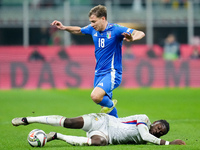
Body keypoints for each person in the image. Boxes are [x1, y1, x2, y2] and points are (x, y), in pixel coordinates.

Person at [51, 5, 145, 118]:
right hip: (98, 73)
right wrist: (64, 27)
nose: (92, 24)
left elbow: (140, 33)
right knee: (103, 106)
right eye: (91, 22)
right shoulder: (92, 29)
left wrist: (132, 38)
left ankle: (111, 104)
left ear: (103, 18)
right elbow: (79, 30)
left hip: (112, 72)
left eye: (94, 21)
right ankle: (117, 125)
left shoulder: (115, 29)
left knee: (95, 96)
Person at [12, 113, 186, 146]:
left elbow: (148, 138)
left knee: (98, 143)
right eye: (159, 127)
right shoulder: (144, 120)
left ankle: (56, 136)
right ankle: (28, 119)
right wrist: (169, 142)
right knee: (69, 122)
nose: (157, 131)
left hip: (105, 135)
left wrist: (162, 141)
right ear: (155, 122)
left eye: (161, 132)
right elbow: (146, 136)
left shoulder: (149, 138)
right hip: (101, 121)